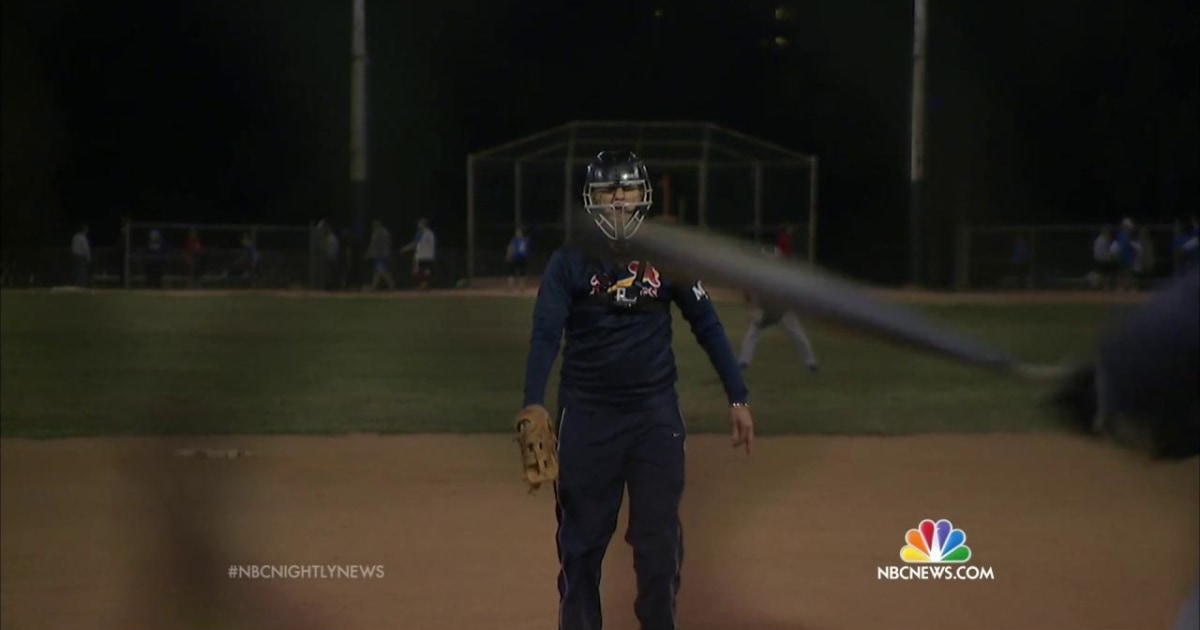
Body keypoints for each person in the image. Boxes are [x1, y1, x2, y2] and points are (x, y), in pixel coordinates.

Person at [518, 151, 754, 630]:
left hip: (654, 419)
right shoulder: (569, 263)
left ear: (643, 198)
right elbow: (545, 333)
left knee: (659, 547)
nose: (620, 201)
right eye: (609, 192)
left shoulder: (668, 260)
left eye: (628, 191)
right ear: (593, 202)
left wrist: (738, 397)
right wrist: (533, 400)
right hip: (586, 418)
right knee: (580, 548)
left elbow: (707, 324)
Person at [399, 218, 436, 290]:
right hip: (430, 256)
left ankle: (423, 285)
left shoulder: (420, 232)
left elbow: (415, 244)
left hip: (420, 256)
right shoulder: (431, 233)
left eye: (419, 224)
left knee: (416, 272)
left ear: (423, 224)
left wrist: (405, 248)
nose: (418, 225)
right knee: (427, 272)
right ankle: (425, 285)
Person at [365, 220, 394, 291]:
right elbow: (389, 243)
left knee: (382, 271)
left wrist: (368, 254)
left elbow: (373, 244)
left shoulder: (377, 232)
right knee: (377, 272)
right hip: (385, 254)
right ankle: (373, 286)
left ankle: (392, 285)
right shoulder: (386, 232)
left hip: (380, 255)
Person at [505, 226, 531, 291]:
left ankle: (511, 287)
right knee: (521, 273)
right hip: (522, 257)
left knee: (512, 272)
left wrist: (508, 255)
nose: (517, 233)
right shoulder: (526, 239)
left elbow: (511, 247)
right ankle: (521, 287)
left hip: (516, 257)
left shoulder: (515, 240)